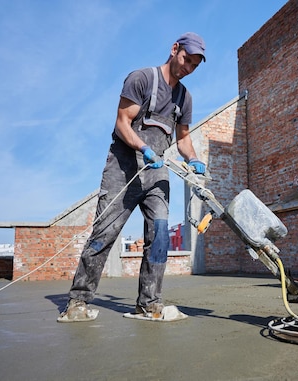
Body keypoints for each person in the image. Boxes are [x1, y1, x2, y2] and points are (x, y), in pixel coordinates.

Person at [58, 32, 207, 322]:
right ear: (174, 49)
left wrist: (195, 158)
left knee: (160, 235)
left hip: (157, 172)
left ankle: (149, 304)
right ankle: (77, 302)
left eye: (194, 65)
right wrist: (143, 148)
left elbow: (184, 138)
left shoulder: (184, 98)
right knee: (105, 232)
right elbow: (122, 123)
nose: (188, 67)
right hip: (124, 167)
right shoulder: (141, 79)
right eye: (186, 59)